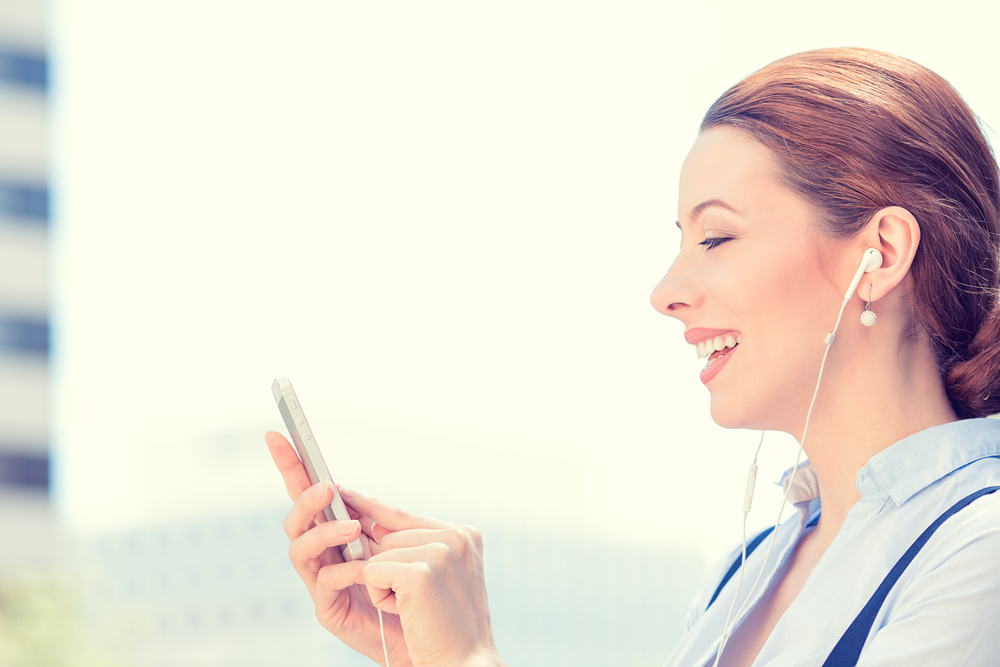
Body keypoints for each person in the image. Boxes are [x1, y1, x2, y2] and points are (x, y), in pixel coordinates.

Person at [265, 47, 1000, 667]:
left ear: (883, 253)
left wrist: (471, 657)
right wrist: (425, 648)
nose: (667, 291)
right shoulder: (739, 578)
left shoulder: (982, 549)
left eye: (716, 238)